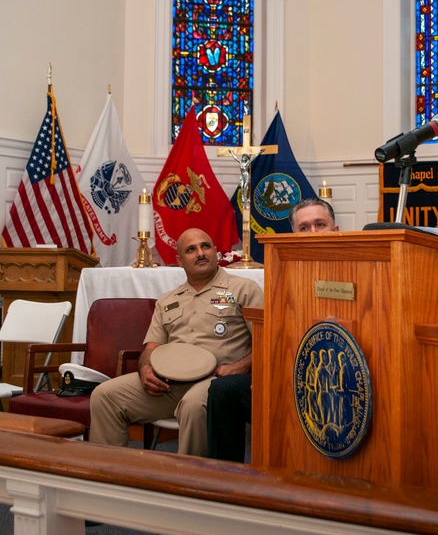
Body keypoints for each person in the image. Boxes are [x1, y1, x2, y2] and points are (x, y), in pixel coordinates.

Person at [89, 227, 263, 457]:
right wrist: (145, 368)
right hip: (168, 383)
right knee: (104, 396)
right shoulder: (168, 300)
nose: (200, 253)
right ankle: (110, 480)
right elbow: (152, 346)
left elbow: (267, 340)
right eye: (191, 250)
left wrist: (239, 367)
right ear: (180, 261)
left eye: (205, 246)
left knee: (193, 405)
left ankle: (188, 484)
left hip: (216, 381)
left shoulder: (243, 289)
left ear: (216, 252)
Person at [206, 197, 339, 462]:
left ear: (335, 231)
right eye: (304, 227)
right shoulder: (282, 273)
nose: (312, 233)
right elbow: (273, 332)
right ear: (293, 234)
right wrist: (264, 373)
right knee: (224, 390)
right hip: (286, 376)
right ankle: (223, 483)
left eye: (320, 224)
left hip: (334, 378)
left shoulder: (359, 267)